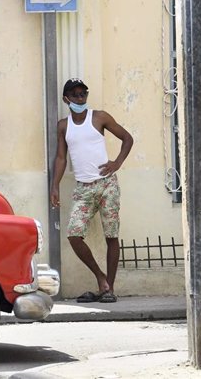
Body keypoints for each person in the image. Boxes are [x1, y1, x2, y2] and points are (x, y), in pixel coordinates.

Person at [50, 78, 134, 303]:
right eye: (75, 95)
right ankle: (101, 278)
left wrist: (116, 163)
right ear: (66, 99)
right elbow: (61, 157)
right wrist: (54, 185)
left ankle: (110, 289)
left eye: (83, 94)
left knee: (111, 235)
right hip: (83, 188)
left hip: (107, 184)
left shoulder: (99, 117)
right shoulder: (63, 125)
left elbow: (127, 138)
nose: (80, 98)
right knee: (74, 235)